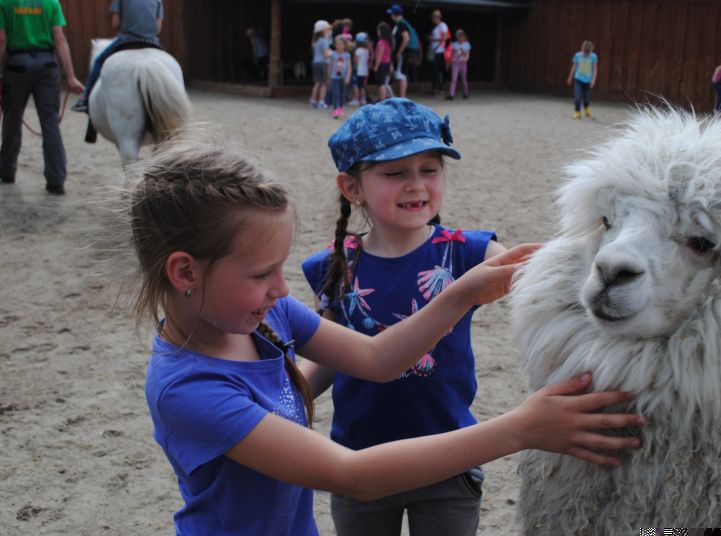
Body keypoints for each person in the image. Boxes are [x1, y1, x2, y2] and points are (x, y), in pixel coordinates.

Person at [133, 139, 645, 535]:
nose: (282, 288)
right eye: (261, 273)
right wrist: (520, 429)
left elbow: (377, 357)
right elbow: (352, 475)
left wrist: (463, 292)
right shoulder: (190, 390)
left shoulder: (269, 314)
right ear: (185, 272)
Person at [297, 98, 640, 535]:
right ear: (352, 187)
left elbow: (553, 281)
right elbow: (331, 354)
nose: (416, 185)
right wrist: (288, 395)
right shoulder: (335, 265)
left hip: (451, 458)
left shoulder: (468, 252)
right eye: (395, 173)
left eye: (429, 169)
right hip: (361, 462)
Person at [0, 0, 84, 194]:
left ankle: (7, 170)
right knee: (50, 123)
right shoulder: (51, 2)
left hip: (17, 66)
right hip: (46, 65)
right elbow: (59, 39)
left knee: (12, 120)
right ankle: (56, 180)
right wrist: (71, 77)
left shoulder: (5, 2)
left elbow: (2, 40)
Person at [71, 0, 163, 113]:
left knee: (98, 62)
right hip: (151, 42)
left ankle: (85, 99)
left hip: (127, 40)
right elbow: (158, 28)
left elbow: (115, 23)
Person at [387, 4, 420, 98]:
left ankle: (402, 97)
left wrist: (399, 52)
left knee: (401, 74)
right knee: (400, 73)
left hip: (404, 54)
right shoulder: (402, 24)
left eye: (392, 14)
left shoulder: (401, 25)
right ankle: (401, 96)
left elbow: (406, 38)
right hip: (405, 53)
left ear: (394, 15)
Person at [566, 40, 598, 119]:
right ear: (582, 49)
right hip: (578, 79)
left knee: (586, 99)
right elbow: (574, 66)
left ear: (591, 51)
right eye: (584, 53)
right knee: (577, 97)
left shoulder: (594, 57)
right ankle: (577, 112)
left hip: (588, 81)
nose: (585, 55)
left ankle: (586, 108)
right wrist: (570, 77)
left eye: (587, 53)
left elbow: (595, 69)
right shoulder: (577, 55)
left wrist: (593, 80)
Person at [310, 20, 332, 109]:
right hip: (323, 63)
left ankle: (313, 100)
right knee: (324, 83)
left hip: (315, 63)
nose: (328, 31)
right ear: (322, 30)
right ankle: (321, 101)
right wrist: (333, 54)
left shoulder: (315, 41)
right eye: (327, 29)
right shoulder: (324, 40)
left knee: (317, 82)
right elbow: (326, 54)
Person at [328, 35, 351, 119]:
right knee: (336, 93)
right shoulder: (333, 55)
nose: (339, 46)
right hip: (334, 77)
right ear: (335, 45)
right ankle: (335, 109)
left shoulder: (347, 55)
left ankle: (341, 107)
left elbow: (349, 67)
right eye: (337, 44)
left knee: (342, 93)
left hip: (343, 77)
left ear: (345, 45)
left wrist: (348, 77)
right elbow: (330, 66)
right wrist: (329, 77)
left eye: (341, 44)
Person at [428, 9, 449, 96]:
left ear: (438, 18)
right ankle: (435, 88)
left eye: (434, 18)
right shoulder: (435, 27)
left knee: (438, 71)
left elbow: (445, 37)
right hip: (434, 51)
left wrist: (432, 39)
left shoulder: (442, 25)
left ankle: (439, 89)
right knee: (434, 71)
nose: (433, 19)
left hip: (439, 51)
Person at [447, 29, 470, 100]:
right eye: (458, 36)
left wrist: (466, 59)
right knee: (454, 79)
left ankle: (465, 92)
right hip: (455, 63)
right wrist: (450, 61)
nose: (460, 38)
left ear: (464, 36)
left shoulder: (466, 44)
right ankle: (451, 94)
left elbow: (468, 54)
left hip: (463, 63)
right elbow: (450, 53)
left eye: (461, 36)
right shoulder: (454, 44)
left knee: (464, 79)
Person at [373, 21, 393, 101]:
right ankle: (382, 97)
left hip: (382, 64)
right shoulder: (388, 42)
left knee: (381, 83)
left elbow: (380, 55)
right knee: (383, 82)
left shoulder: (381, 42)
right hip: (387, 63)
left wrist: (376, 66)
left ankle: (382, 99)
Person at [353, 32, 370, 106]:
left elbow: (356, 61)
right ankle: (363, 100)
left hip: (358, 71)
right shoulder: (367, 50)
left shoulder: (358, 50)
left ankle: (356, 99)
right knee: (362, 86)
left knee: (356, 86)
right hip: (365, 71)